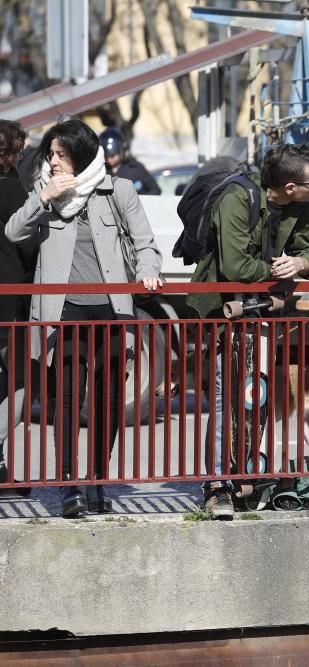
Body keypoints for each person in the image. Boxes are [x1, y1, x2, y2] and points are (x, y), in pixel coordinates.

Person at [5, 118, 163, 517]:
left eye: (62, 155)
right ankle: (68, 486)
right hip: (64, 311)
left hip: (112, 310)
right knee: (68, 400)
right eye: (51, 154)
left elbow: (144, 242)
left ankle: (96, 478)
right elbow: (13, 233)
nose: (54, 161)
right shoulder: (44, 192)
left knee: (109, 402)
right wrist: (44, 197)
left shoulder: (118, 190)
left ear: (81, 155)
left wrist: (148, 269)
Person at [189, 143, 309, 519]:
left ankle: (245, 477)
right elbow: (235, 267)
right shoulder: (237, 198)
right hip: (222, 310)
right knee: (224, 398)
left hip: (262, 311)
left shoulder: (300, 202)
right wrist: (277, 271)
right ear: (291, 186)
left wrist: (300, 262)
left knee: (255, 396)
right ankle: (217, 485)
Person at [0, 119, 35, 496]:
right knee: (20, 383)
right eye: (20, 150)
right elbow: (29, 247)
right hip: (9, 305)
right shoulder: (13, 193)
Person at [98, 127, 161, 195]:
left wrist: (138, 200)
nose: (109, 160)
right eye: (106, 156)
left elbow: (155, 190)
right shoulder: (100, 171)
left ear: (121, 152)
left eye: (113, 156)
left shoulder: (136, 168)